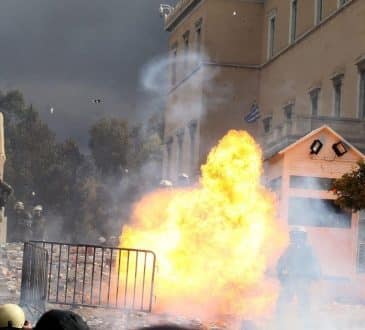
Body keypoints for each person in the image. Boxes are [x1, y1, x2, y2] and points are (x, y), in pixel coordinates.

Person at [276, 226, 321, 328]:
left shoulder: (309, 250)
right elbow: (281, 263)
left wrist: (313, 274)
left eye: (299, 236)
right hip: (291, 281)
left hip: (303, 281)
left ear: (304, 238)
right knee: (281, 302)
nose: (297, 239)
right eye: (295, 236)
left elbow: (315, 264)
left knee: (304, 303)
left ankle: (305, 324)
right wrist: (281, 275)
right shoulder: (289, 249)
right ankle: (279, 322)